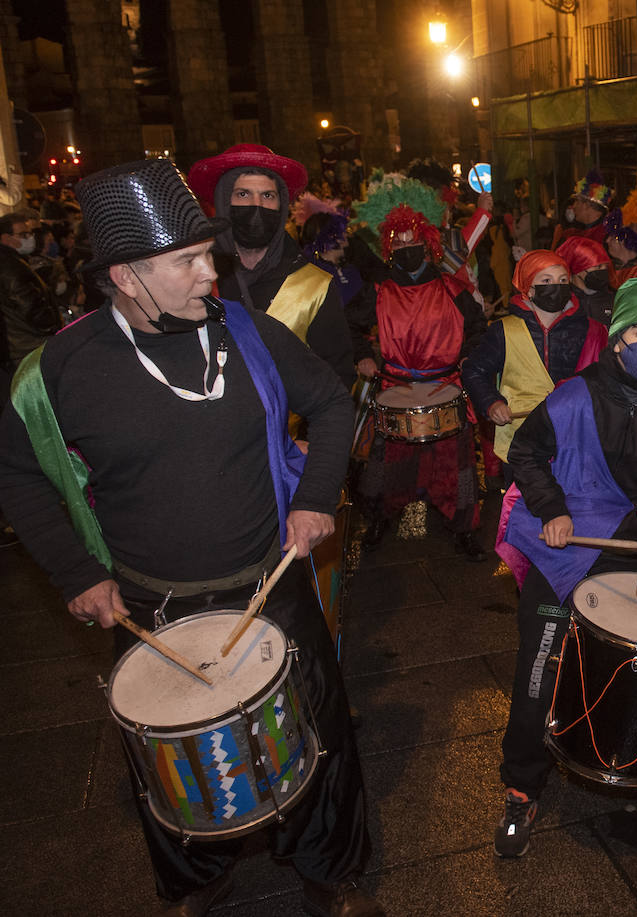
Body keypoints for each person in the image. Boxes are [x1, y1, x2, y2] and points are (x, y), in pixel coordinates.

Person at [0, 159, 380, 916]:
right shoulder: (58, 373)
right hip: (152, 605)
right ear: (127, 276)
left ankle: (326, 869)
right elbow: (18, 474)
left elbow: (333, 405)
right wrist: (77, 572)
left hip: (271, 586)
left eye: (206, 253)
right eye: (188, 260)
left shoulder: (250, 333)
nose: (212, 271)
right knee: (169, 760)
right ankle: (196, 880)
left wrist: (313, 499)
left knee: (320, 737)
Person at [492, 276, 637, 858]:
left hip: (627, 547)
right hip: (562, 546)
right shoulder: (571, 395)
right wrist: (552, 508)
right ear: (617, 339)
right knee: (539, 664)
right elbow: (525, 454)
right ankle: (522, 784)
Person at [350, 176, 487, 560]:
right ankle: (376, 520)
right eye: (399, 243)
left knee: (457, 468)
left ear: (427, 244)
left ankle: (464, 529)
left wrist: (468, 359)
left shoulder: (452, 289)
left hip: (446, 386)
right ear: (389, 248)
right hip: (393, 389)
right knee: (383, 466)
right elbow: (348, 327)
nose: (407, 248)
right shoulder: (376, 291)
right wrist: (363, 353)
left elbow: (479, 331)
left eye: (413, 241)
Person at [188, 144, 355, 388]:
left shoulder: (315, 287)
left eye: (268, 196)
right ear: (224, 202)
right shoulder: (193, 281)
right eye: (243, 194)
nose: (257, 205)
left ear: (281, 205)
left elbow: (337, 381)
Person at [461, 249, 607, 478]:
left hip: (575, 437)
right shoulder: (504, 331)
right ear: (529, 289)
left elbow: (605, 378)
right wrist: (491, 403)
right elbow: (473, 370)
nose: (556, 286)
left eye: (562, 280)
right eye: (546, 281)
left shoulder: (591, 330)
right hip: (522, 441)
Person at [0, 211, 61, 391]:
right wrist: (52, 325)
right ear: (5, 237)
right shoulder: (9, 266)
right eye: (23, 234)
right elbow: (29, 307)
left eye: (30, 233)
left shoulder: (14, 261)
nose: (30, 238)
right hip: (26, 345)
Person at [557, 235, 615, 324]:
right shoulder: (561, 301)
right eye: (598, 266)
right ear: (578, 270)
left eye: (605, 266)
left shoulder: (614, 299)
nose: (603, 271)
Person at [550, 170, 613, 249]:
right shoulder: (569, 234)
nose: (573, 206)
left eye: (577, 202)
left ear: (586, 205)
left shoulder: (609, 238)